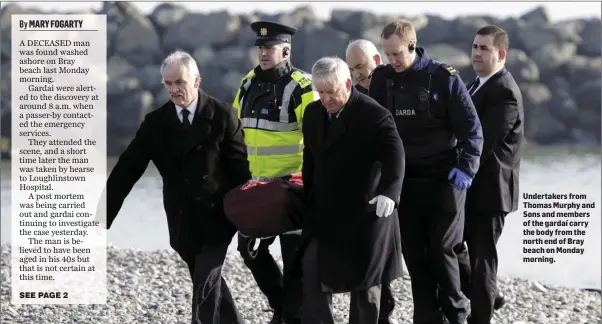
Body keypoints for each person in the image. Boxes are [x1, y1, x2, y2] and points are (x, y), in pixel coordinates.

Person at [99, 51, 250, 324]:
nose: (173, 89)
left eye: (179, 82)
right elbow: (127, 168)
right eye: (167, 84)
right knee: (208, 280)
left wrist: (250, 222)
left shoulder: (223, 115)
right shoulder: (156, 123)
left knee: (205, 283)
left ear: (196, 80)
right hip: (181, 219)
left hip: (218, 217)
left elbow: (241, 172)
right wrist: (102, 215)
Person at [369, 19, 484, 324]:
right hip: (405, 182)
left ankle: (457, 314)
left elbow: (473, 131)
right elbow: (371, 129)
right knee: (415, 257)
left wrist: (466, 168)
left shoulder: (443, 78)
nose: (391, 60)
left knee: (442, 250)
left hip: (445, 180)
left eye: (396, 54)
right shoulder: (382, 79)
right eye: (387, 54)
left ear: (412, 45)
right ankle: (427, 318)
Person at [295, 56, 405, 324]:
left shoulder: (374, 115)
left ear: (347, 83)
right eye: (319, 92)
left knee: (366, 292)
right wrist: (303, 200)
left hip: (366, 214)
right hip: (325, 213)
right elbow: (309, 160)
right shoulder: (312, 114)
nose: (325, 99)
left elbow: (396, 156)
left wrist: (390, 192)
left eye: (331, 92)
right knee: (311, 274)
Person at [231, 20, 318, 324]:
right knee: (249, 250)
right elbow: (233, 132)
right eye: (260, 47)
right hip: (257, 188)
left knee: (295, 262)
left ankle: (290, 317)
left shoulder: (303, 86)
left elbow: (319, 138)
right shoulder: (247, 84)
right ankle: (282, 308)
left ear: (286, 50)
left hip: (292, 189)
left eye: (269, 48)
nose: (264, 53)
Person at [455, 25, 524, 324]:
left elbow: (484, 141)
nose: (477, 53)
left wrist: (453, 167)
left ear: (501, 54)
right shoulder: (474, 85)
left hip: (490, 191)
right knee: (452, 246)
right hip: (468, 188)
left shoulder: (504, 91)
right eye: (474, 47)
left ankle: (481, 317)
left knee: (483, 259)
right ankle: (489, 296)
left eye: (484, 48)